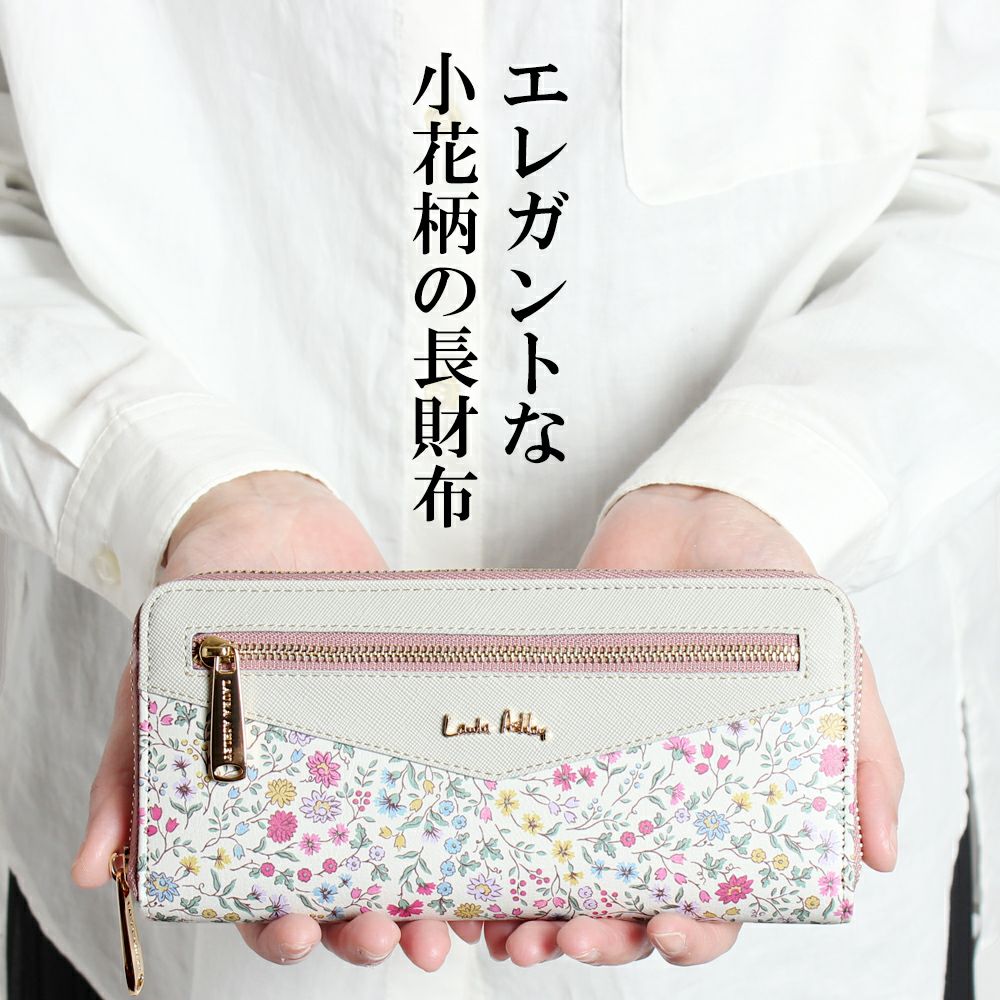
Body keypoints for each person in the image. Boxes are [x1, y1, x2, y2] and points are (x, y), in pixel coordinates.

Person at [0, 2, 996, 998]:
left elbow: (977, 165)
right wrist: (176, 482)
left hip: (783, 886)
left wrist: (769, 483)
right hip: (178, 808)